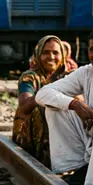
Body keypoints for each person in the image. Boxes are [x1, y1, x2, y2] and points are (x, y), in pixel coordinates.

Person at [36, 26, 93, 185]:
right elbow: (43, 94)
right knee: (55, 107)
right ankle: (81, 172)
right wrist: (75, 104)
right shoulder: (86, 73)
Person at [12, 36, 68, 168]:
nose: (51, 57)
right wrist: (48, 94)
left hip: (61, 139)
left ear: (63, 56)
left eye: (55, 53)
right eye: (46, 53)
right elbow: (24, 106)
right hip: (28, 136)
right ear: (38, 55)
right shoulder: (30, 77)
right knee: (42, 109)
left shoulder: (69, 77)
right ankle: (46, 159)